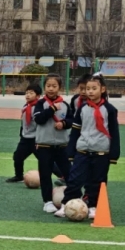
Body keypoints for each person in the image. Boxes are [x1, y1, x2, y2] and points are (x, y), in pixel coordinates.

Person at [55, 73, 120, 219]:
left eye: (94, 88)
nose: (90, 91)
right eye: (87, 88)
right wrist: (71, 151)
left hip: (101, 152)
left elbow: (114, 133)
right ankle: (66, 204)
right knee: (74, 179)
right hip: (82, 151)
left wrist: (114, 154)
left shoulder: (110, 109)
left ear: (102, 89)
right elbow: (76, 130)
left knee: (97, 181)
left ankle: (93, 206)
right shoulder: (82, 108)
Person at [33, 73, 72, 213]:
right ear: (44, 87)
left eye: (54, 86)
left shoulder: (65, 105)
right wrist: (52, 109)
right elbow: (39, 119)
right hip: (44, 145)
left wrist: (64, 123)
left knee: (69, 173)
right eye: (48, 86)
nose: (51, 89)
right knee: (45, 174)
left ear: (59, 88)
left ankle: (72, 198)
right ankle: (47, 201)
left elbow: (71, 121)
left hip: (62, 146)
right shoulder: (40, 104)